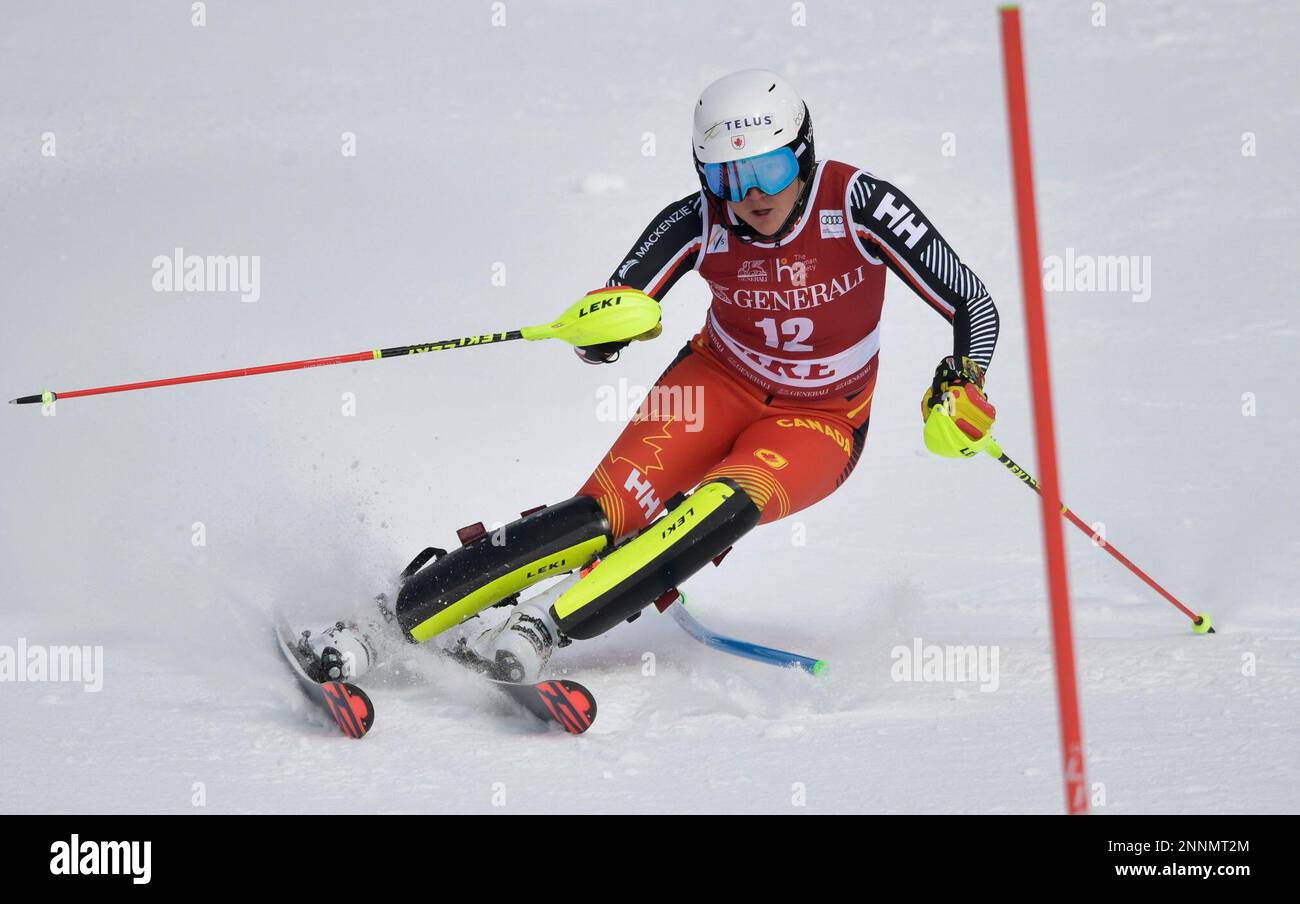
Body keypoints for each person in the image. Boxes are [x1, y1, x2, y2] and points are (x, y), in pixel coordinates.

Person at [296, 69, 1001, 685]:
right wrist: (602, 331)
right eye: (729, 178)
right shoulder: (696, 220)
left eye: (771, 172)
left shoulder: (861, 205)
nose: (752, 196)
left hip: (820, 420)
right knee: (602, 516)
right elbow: (613, 315)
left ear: (805, 156)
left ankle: (546, 627)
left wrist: (963, 382)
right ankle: (379, 625)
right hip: (716, 384)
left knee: (727, 502)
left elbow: (972, 302)